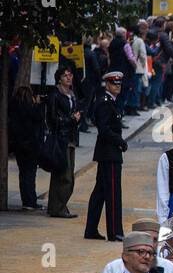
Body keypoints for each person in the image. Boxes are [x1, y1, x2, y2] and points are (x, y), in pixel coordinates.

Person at [84, 71, 128, 241]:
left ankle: (91, 229)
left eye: (119, 84)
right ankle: (115, 232)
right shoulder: (104, 102)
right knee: (113, 193)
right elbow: (104, 129)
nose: (118, 86)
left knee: (100, 192)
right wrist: (120, 141)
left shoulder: (111, 102)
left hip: (109, 152)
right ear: (108, 85)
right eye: (114, 84)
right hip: (109, 153)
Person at [46, 65, 81, 218]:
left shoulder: (71, 94)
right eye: (65, 75)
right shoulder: (55, 95)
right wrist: (71, 119)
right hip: (61, 138)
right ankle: (57, 207)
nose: (68, 77)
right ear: (59, 78)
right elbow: (53, 119)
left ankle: (58, 206)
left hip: (70, 137)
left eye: (70, 75)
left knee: (67, 174)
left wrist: (77, 118)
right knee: (64, 175)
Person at [8, 83, 45, 211]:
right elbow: (39, 118)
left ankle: (27, 200)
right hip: (30, 145)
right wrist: (38, 104)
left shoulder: (13, 108)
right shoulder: (31, 109)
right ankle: (30, 201)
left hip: (18, 145)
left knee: (23, 174)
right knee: (30, 174)